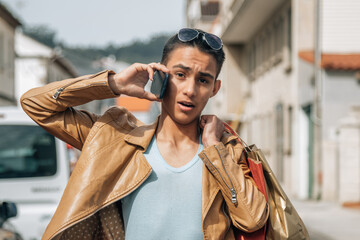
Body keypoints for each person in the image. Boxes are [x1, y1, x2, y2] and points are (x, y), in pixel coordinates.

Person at [21, 28, 268, 240]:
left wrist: (214, 148)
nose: (190, 90)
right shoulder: (116, 139)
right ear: (160, 74)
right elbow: (36, 105)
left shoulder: (226, 152)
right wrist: (113, 84)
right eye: (180, 75)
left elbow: (253, 219)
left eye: (203, 80)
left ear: (215, 88)